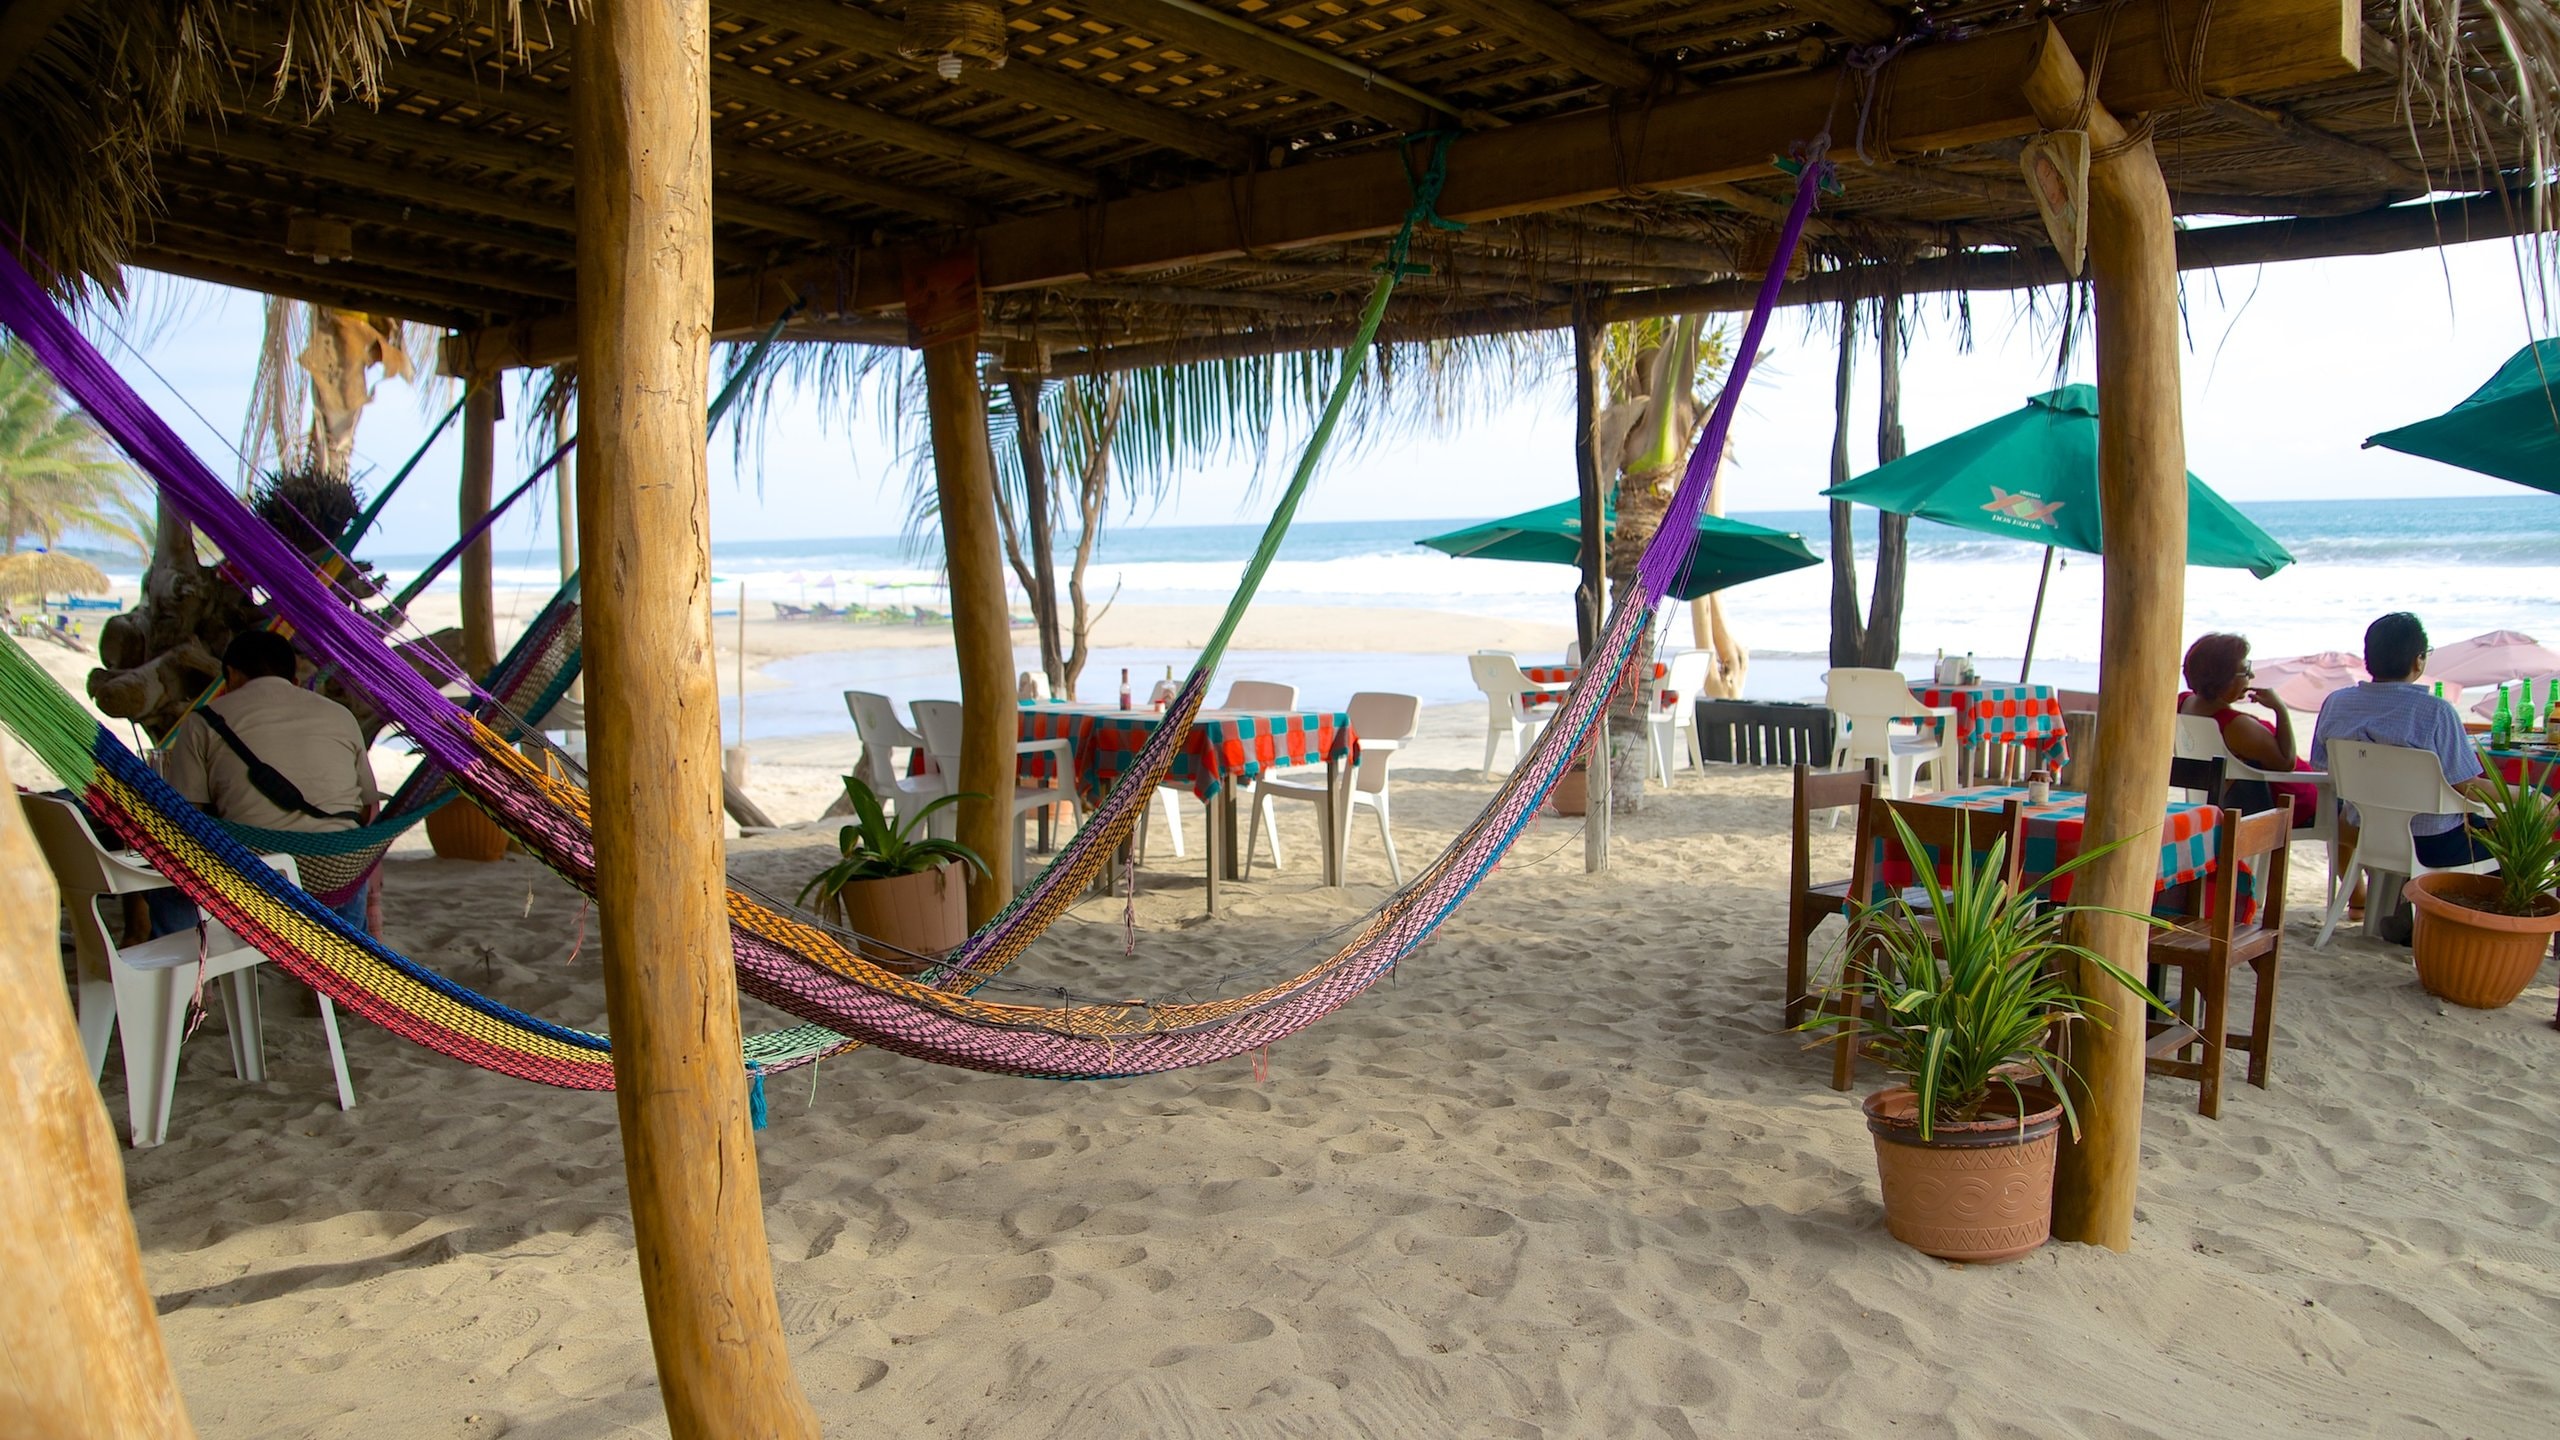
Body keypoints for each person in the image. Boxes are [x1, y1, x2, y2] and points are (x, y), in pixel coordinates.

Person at [151, 631, 380, 934]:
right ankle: (346, 965)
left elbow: (186, 816)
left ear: (230, 674)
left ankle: (185, 968)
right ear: (294, 680)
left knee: (166, 875)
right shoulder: (341, 715)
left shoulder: (203, 721)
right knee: (348, 859)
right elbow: (369, 809)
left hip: (258, 878)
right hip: (337, 876)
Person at [2310, 612, 2495, 940]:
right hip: (2431, 846)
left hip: (2364, 831)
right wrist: (2529, 797)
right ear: (2418, 660)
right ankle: (2466, 933)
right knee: (2508, 832)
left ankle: (2407, 915)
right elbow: (2465, 785)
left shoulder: (2336, 703)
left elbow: (2323, 764)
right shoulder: (2435, 712)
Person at [2177, 633, 2322, 824]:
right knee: (2348, 812)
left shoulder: (2183, 704)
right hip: (2288, 805)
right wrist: (2280, 709)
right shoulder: (2235, 725)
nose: (2252, 676)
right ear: (2224, 679)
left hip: (2225, 800)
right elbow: (2286, 764)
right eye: (2245, 671)